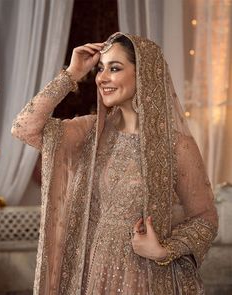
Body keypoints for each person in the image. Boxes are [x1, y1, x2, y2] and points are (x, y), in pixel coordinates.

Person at [12, 32, 218, 295]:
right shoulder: (89, 132)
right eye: (100, 69)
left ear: (143, 73)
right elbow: (23, 128)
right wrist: (71, 75)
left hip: (145, 279)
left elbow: (205, 219)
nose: (102, 77)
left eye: (115, 68)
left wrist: (164, 250)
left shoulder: (177, 147)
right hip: (89, 276)